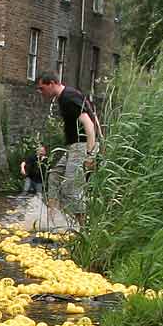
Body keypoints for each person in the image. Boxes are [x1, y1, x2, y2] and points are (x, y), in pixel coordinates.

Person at [34, 72, 101, 225]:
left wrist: (90, 155)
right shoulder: (67, 96)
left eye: (42, 88)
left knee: (71, 188)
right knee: (54, 176)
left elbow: (89, 124)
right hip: (74, 147)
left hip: (82, 146)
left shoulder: (68, 97)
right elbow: (93, 115)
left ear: (52, 83)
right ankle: (53, 222)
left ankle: (85, 229)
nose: (41, 92)